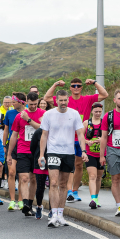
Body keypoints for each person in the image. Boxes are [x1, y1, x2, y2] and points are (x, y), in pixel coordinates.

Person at [44, 77, 108, 202]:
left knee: (79, 165)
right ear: (70, 88)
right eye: (74, 86)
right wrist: (56, 84)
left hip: (81, 137)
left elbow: (105, 94)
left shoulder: (88, 99)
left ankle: (75, 190)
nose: (76, 88)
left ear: (82, 87)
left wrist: (95, 83)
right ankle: (68, 191)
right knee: (70, 166)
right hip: (67, 138)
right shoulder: (66, 100)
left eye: (78, 85)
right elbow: (46, 98)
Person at [38, 89, 88, 228]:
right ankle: (53, 214)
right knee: (53, 183)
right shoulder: (49, 114)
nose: (63, 103)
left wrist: (83, 151)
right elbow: (44, 135)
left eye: (65, 100)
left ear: (68, 100)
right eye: (61, 100)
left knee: (64, 184)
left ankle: (60, 214)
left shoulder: (74, 114)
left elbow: (80, 133)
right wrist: (42, 154)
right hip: (53, 152)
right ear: (56, 101)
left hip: (68, 152)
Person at [7, 92, 44, 217]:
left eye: (35, 104)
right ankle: (26, 203)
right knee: (24, 178)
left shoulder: (43, 114)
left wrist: (28, 120)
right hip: (22, 150)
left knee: (33, 179)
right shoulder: (19, 116)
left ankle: (30, 203)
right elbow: (13, 135)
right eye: (30, 104)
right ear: (26, 102)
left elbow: (42, 129)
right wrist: (9, 154)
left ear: (38, 102)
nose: (33, 106)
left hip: (37, 151)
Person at [3, 94, 25, 211]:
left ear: (21, 102)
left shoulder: (26, 113)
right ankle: (12, 200)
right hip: (11, 145)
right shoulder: (9, 113)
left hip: (23, 146)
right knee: (11, 172)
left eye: (14, 102)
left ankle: (20, 200)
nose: (12, 104)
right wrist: (3, 146)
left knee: (21, 174)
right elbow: (6, 129)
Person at [83, 103, 105, 209]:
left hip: (101, 154)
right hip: (90, 154)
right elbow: (80, 137)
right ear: (92, 111)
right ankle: (93, 199)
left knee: (99, 177)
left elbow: (109, 137)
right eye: (96, 111)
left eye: (99, 112)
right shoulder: (86, 123)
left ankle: (96, 197)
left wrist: (102, 140)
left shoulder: (104, 123)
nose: (97, 113)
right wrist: (87, 142)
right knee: (92, 176)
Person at [29, 127, 48, 220]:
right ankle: (39, 206)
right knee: (40, 187)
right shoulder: (39, 132)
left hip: (53, 161)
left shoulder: (56, 130)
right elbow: (32, 147)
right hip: (41, 162)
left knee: (53, 186)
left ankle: (53, 210)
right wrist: (38, 156)